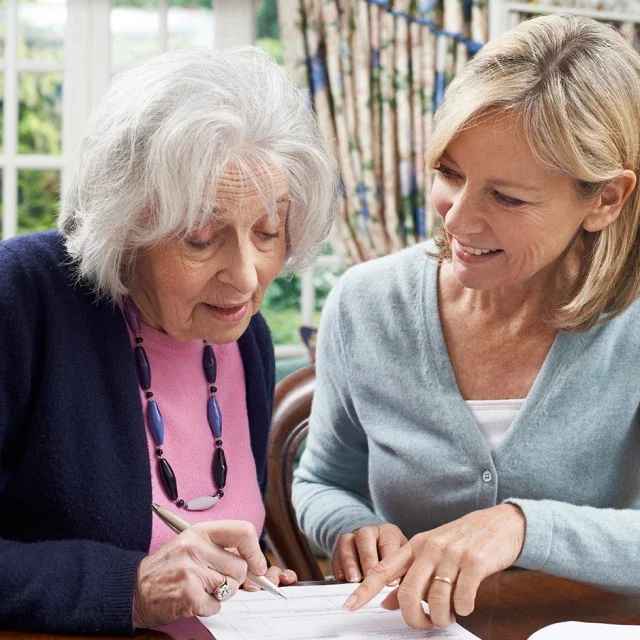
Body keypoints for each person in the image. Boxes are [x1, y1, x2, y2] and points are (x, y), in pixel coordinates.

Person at [293, 13, 640, 631]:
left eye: (507, 197)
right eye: (449, 174)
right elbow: (321, 480)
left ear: (605, 200)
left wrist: (520, 526)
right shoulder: (366, 303)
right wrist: (351, 525)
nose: (455, 221)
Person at [0, 47, 337, 633]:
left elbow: (222, 551)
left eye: (268, 231)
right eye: (202, 238)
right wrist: (127, 586)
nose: (248, 275)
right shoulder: (22, 298)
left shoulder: (244, 336)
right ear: (127, 225)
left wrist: (242, 578)